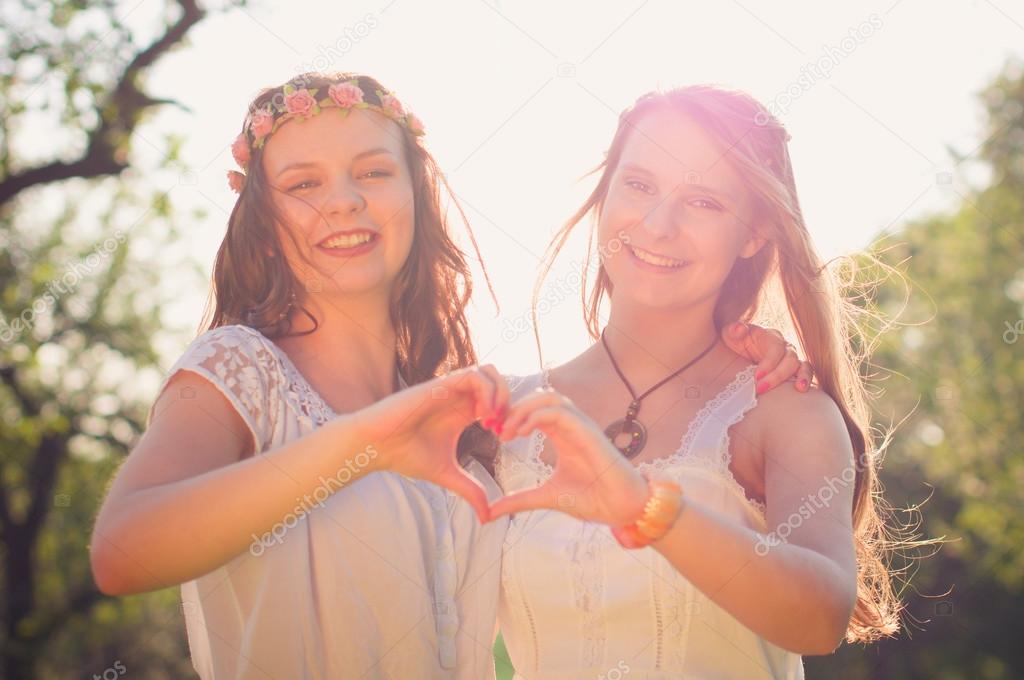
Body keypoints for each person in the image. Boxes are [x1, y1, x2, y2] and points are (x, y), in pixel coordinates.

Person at [89, 72, 804, 679]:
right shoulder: (237, 369)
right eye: (303, 183)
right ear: (263, 218)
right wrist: (362, 443)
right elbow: (122, 555)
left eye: (373, 171)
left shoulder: (457, 414)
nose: (343, 200)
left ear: (415, 195)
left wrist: (731, 354)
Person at [490, 85, 900, 679]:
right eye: (638, 185)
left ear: (755, 232)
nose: (658, 225)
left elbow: (820, 620)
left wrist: (649, 510)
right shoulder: (505, 414)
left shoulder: (782, 409)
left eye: (703, 201)